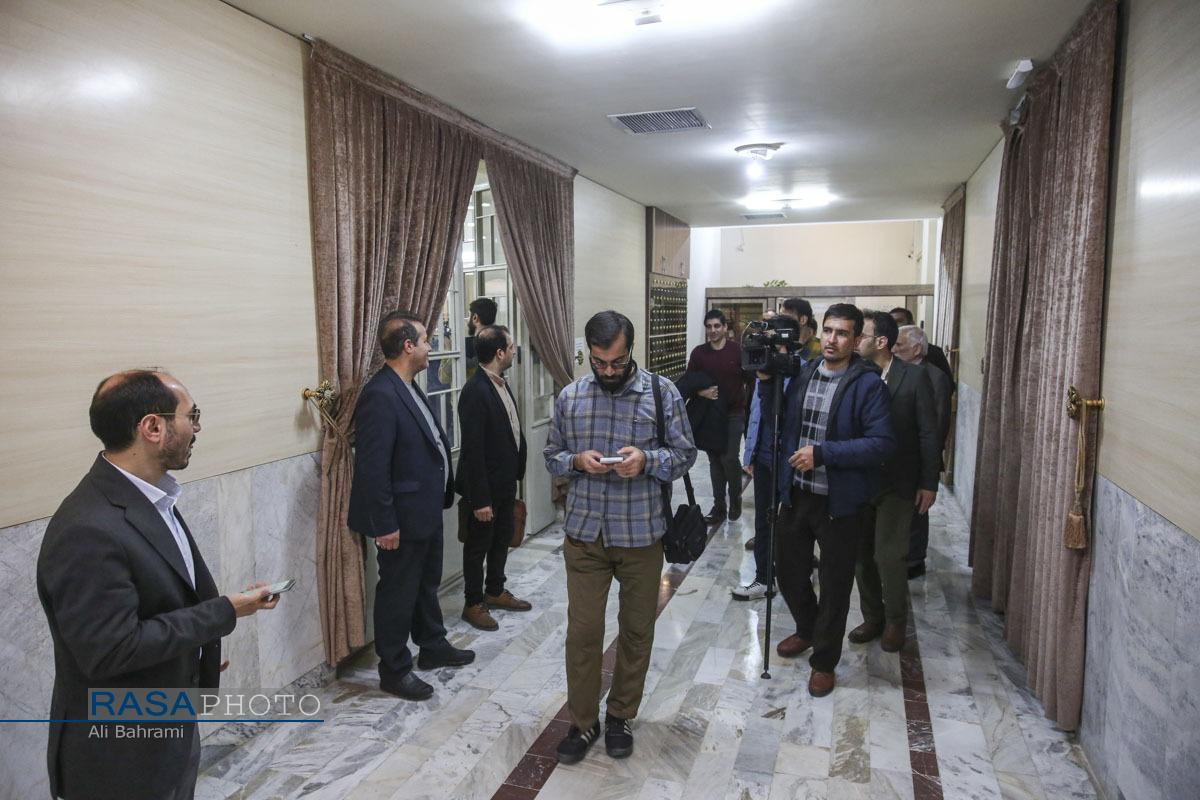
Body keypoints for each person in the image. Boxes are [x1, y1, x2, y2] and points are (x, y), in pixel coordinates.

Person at [37, 370, 279, 800]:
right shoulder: (88, 528)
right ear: (153, 427)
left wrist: (190, 658)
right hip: (119, 756)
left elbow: (159, 607)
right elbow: (111, 649)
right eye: (192, 415)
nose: (197, 428)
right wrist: (225, 610)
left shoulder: (153, 496)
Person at [544, 310, 696, 764]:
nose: (609, 371)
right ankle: (583, 722)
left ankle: (620, 716)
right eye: (599, 362)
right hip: (585, 535)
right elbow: (552, 455)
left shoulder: (662, 393)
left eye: (617, 362)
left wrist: (647, 461)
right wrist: (576, 461)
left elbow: (685, 454)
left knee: (636, 631)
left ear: (631, 350)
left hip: (641, 535)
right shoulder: (571, 396)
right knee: (583, 632)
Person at [348, 310, 475, 702]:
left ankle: (432, 645)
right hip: (400, 519)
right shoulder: (380, 395)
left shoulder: (406, 386)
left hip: (425, 510)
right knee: (397, 594)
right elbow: (372, 468)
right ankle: (394, 669)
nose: (429, 347)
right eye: (424, 341)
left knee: (425, 585)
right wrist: (384, 523)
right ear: (408, 346)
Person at [773, 303, 895, 697]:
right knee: (787, 571)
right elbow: (786, 425)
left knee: (835, 584)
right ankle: (808, 628)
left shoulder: (868, 384)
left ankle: (824, 661)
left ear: (856, 340)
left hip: (839, 502)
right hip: (797, 493)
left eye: (842, 333)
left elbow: (881, 444)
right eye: (828, 330)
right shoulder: (805, 373)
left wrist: (823, 454)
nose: (832, 339)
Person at [848, 312, 940, 652]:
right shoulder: (856, 374)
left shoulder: (914, 378)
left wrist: (929, 482)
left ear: (881, 342)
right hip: (861, 480)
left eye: (863, 335)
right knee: (861, 556)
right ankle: (872, 617)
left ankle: (896, 620)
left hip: (898, 480)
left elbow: (928, 432)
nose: (857, 340)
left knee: (889, 555)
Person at [456, 324, 531, 631]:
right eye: (511, 347)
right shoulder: (475, 391)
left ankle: (495, 590)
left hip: (504, 482)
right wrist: (480, 499)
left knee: (501, 540)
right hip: (484, 490)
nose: (514, 351)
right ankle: (473, 603)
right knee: (477, 548)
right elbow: (472, 451)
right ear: (500, 353)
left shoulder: (500, 383)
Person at [734, 315, 802, 599]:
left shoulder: (800, 373)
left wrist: (778, 370)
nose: (768, 348)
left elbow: (784, 417)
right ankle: (764, 578)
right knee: (763, 521)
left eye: (773, 341)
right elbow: (756, 418)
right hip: (763, 458)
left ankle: (796, 579)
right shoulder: (762, 370)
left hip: (791, 462)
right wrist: (749, 453)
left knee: (791, 525)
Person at [894, 324, 953, 578]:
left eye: (900, 345)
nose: (894, 350)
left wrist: (929, 463)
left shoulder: (935, 377)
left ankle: (915, 560)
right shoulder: (900, 371)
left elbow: (938, 424)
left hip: (922, 456)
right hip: (902, 455)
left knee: (918, 509)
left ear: (917, 349)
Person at [685, 309, 748, 524]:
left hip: (734, 413)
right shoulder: (699, 353)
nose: (713, 330)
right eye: (709, 327)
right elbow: (688, 382)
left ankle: (735, 498)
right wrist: (701, 392)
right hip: (710, 414)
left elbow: (750, 379)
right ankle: (719, 507)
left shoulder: (737, 351)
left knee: (729, 458)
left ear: (725, 328)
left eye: (717, 326)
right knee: (714, 460)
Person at [889, 307, 954, 388]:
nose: (895, 326)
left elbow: (947, 384)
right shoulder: (886, 351)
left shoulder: (934, 352)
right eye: (891, 323)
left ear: (911, 323)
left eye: (899, 321)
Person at [780, 297, 823, 362]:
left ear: (803, 320)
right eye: (780, 317)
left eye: (786, 318)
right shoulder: (781, 347)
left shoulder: (821, 349)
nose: (781, 322)